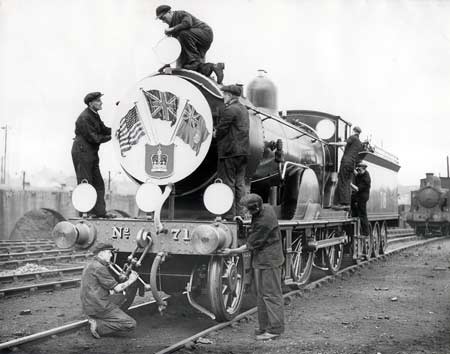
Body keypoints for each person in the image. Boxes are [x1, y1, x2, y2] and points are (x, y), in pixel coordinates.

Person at [221, 194, 285, 341]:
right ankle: (264, 327)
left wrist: (232, 251)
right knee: (262, 294)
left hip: (270, 260)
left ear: (254, 209)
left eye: (245, 209)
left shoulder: (264, 222)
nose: (243, 211)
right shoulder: (266, 208)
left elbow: (250, 245)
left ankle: (275, 329)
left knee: (271, 294)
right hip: (263, 259)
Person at [80, 242, 139, 339]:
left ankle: (97, 317)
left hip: (88, 304)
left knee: (121, 297)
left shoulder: (91, 264)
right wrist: (131, 280)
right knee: (131, 324)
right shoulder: (99, 268)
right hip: (98, 305)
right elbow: (117, 288)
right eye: (109, 253)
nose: (111, 255)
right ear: (101, 253)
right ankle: (99, 326)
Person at [155, 5, 225, 84]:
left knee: (183, 34)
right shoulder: (172, 28)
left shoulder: (181, 14)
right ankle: (214, 67)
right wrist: (167, 64)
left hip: (205, 34)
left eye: (163, 18)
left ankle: (193, 62)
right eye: (161, 20)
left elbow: (187, 23)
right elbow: (173, 46)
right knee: (189, 67)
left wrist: (172, 29)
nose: (163, 21)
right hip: (194, 42)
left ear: (170, 12)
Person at [72, 92, 111, 218]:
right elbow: (94, 138)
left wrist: (117, 129)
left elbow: (103, 129)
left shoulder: (94, 115)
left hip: (91, 153)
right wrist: (112, 137)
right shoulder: (85, 118)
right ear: (91, 103)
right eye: (98, 101)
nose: (101, 103)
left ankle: (100, 212)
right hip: (82, 153)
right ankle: (86, 212)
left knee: (98, 183)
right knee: (85, 183)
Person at [215, 84, 250, 219]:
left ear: (229, 95)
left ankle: (229, 215)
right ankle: (240, 214)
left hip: (230, 152)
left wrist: (215, 134)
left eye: (224, 94)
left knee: (228, 183)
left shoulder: (229, 110)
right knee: (240, 184)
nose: (223, 97)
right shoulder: (244, 109)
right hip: (243, 152)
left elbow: (222, 130)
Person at [332, 126, 363, 209]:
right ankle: (344, 203)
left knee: (342, 181)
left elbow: (344, 143)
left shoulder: (352, 137)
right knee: (347, 182)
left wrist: (333, 144)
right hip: (351, 165)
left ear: (354, 131)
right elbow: (350, 151)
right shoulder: (359, 143)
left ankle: (343, 203)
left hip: (345, 163)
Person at [351, 163, 371, 236]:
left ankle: (366, 233)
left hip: (362, 197)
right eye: (357, 169)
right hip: (358, 196)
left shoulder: (366, 179)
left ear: (363, 169)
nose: (357, 171)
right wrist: (351, 168)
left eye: (359, 169)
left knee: (362, 214)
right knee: (352, 200)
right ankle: (354, 214)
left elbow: (357, 189)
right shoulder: (362, 173)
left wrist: (349, 184)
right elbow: (357, 174)